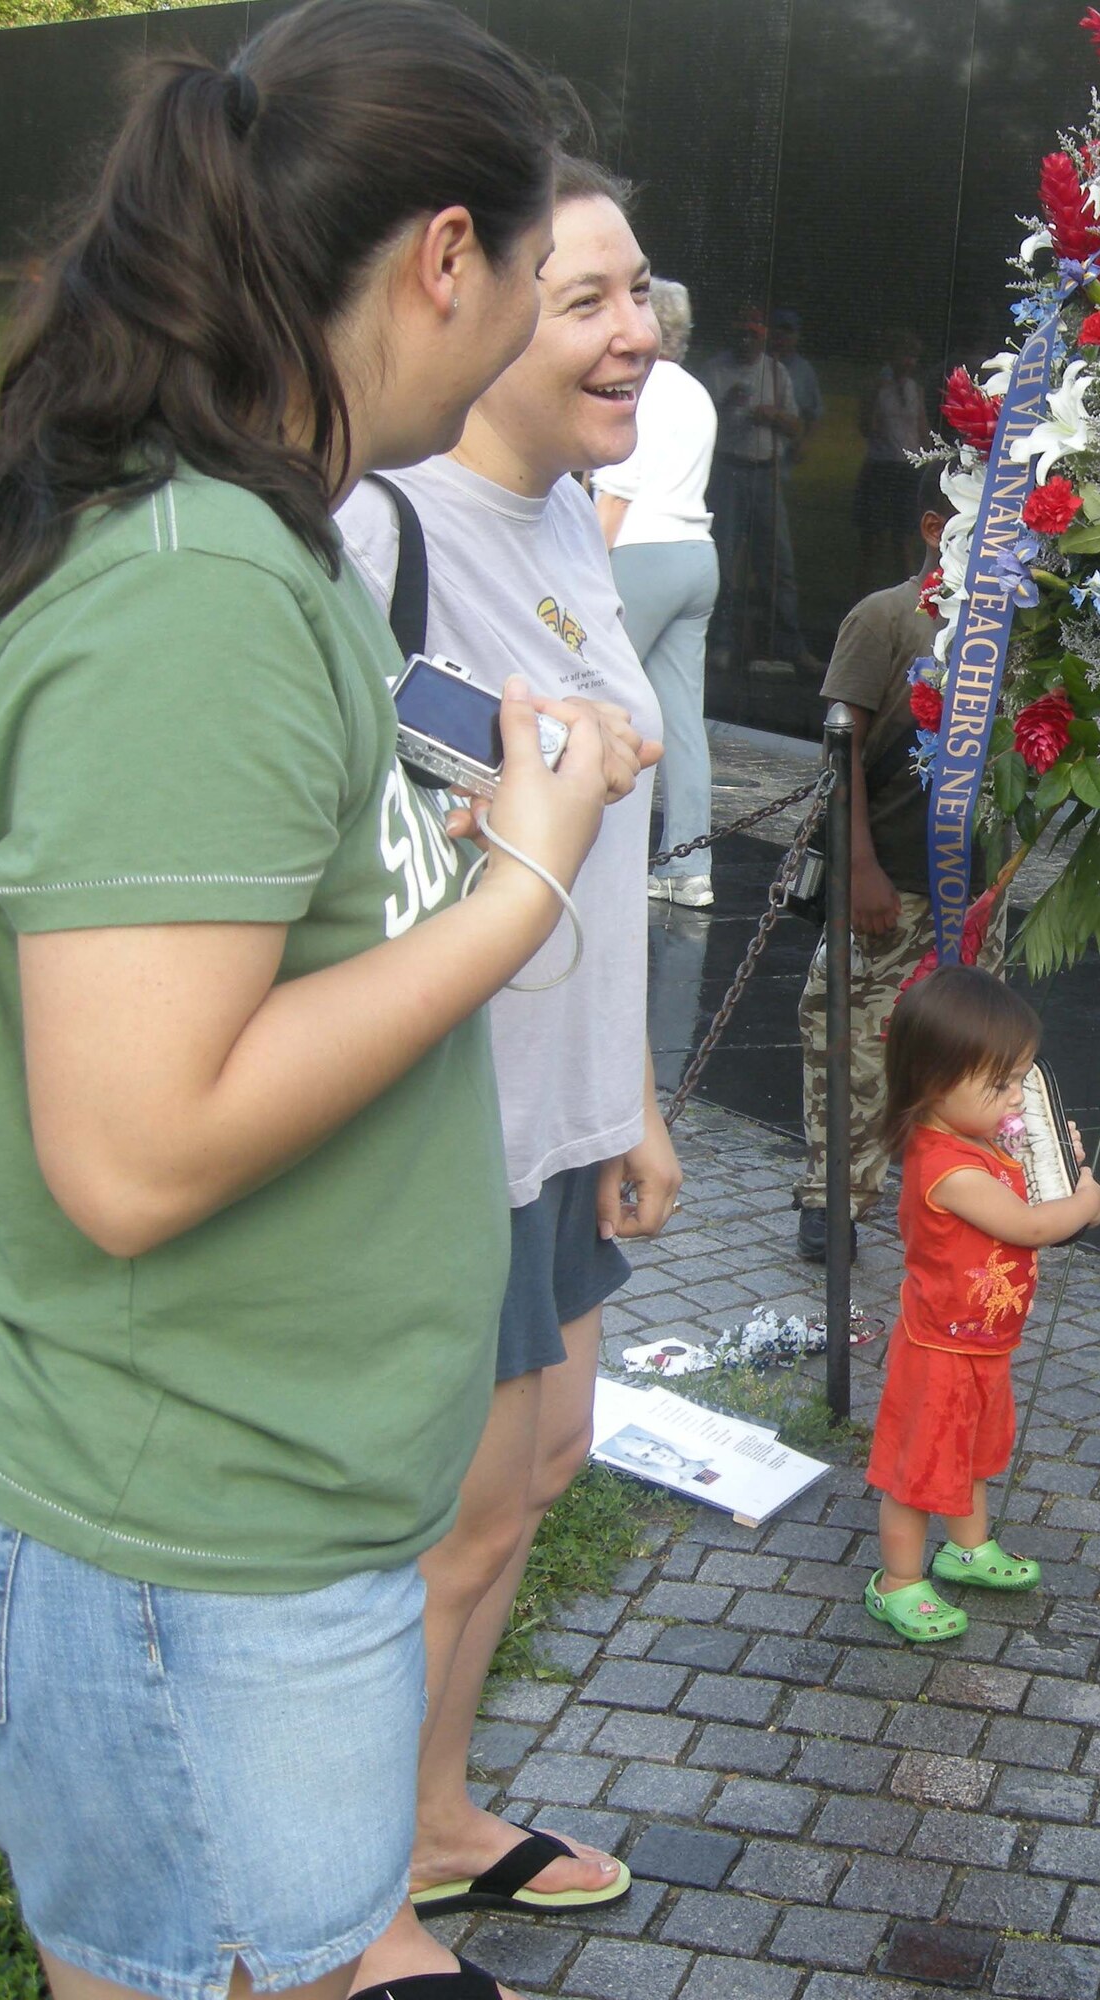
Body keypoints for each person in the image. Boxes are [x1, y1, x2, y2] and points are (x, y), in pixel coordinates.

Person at [0, 10, 648, 2000]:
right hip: (171, 1549)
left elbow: (245, 928)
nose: (550, 328)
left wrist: (436, 838)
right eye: (541, 277)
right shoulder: (193, 582)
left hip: (224, 1536)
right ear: (445, 258)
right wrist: (522, 883)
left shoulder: (241, 529)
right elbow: (137, 1152)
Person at [337, 159, 681, 1954]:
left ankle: (436, 1813)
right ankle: (342, 1905)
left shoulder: (562, 521)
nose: (636, 334)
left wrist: (629, 1101)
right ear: (470, 307)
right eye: (585, 301)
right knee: (446, 1529)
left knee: (539, 1474)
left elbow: (595, 866)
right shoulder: (378, 531)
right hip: (441, 1127)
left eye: (643, 294)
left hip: (560, 1117)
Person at [865, 966, 1100, 1642]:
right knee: (920, 1470)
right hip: (939, 1350)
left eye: (1019, 1080)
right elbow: (1028, 1225)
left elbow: (1025, 1175)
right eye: (1000, 1085)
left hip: (982, 1341)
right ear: (934, 1081)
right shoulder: (947, 1167)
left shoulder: (975, 1136)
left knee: (972, 1451)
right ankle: (897, 1582)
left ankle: (967, 1549)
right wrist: (1086, 1200)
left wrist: (1059, 1160)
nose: (1015, 1099)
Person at [795, 461, 946, 1263]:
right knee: (850, 1040)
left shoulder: (1016, 632)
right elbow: (841, 745)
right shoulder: (886, 617)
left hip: (966, 889)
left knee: (954, 1052)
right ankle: (834, 1197)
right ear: (934, 528)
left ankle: (946, 1200)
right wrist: (858, 867)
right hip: (889, 875)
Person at [592, 277, 720, 909]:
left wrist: (584, 569)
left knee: (595, 695)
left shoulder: (635, 389)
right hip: (697, 554)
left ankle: (587, 859)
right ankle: (688, 869)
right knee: (683, 721)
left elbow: (617, 492)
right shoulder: (696, 391)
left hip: (640, 552)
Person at [703, 306, 805, 672]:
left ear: (763, 337)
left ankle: (786, 647)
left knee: (777, 563)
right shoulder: (715, 370)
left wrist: (774, 416)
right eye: (741, 334)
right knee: (723, 561)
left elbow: (796, 427)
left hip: (766, 472)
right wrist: (723, 405)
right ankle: (720, 644)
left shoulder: (775, 372)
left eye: (753, 334)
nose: (746, 341)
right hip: (728, 470)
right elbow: (698, 425)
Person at [854, 329, 928, 592]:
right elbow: (866, 427)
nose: (908, 362)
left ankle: (908, 600)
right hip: (880, 467)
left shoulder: (915, 389)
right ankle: (862, 597)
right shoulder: (875, 387)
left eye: (913, 357)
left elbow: (922, 428)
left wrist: (929, 461)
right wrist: (877, 396)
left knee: (904, 539)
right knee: (872, 540)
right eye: (904, 355)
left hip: (907, 470)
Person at [768, 306, 822, 469]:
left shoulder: (804, 370)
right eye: (776, 328)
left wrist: (805, 443)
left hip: (784, 455)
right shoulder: (755, 362)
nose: (780, 334)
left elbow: (814, 414)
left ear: (797, 335)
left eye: (787, 330)